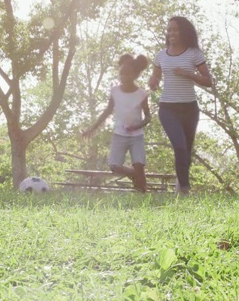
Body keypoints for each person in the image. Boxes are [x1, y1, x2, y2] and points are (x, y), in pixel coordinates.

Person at [148, 16, 213, 195]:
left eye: (175, 29)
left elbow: (209, 81)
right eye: (169, 30)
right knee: (180, 146)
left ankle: (180, 185)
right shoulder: (161, 55)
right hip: (168, 108)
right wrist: (152, 82)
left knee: (187, 151)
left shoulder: (194, 53)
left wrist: (188, 74)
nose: (171, 33)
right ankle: (185, 190)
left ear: (184, 32)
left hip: (190, 109)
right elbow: (155, 78)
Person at [83, 54, 151, 192]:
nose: (124, 77)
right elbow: (107, 112)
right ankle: (133, 175)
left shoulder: (141, 94)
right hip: (119, 134)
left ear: (134, 75)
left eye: (127, 74)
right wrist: (92, 129)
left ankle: (143, 194)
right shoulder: (115, 92)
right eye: (121, 74)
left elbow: (148, 117)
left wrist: (138, 126)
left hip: (136, 136)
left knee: (139, 165)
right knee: (114, 166)